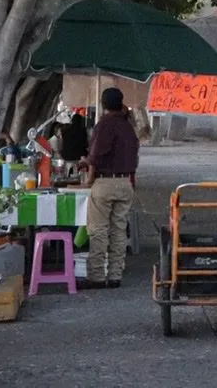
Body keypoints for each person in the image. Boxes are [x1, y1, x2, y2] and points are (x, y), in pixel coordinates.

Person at [78, 88, 139, 289]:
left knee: (98, 230)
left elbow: (95, 156)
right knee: (119, 231)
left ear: (103, 104)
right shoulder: (128, 127)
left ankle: (96, 276)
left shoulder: (104, 125)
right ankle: (115, 275)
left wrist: (84, 162)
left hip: (105, 183)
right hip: (125, 182)